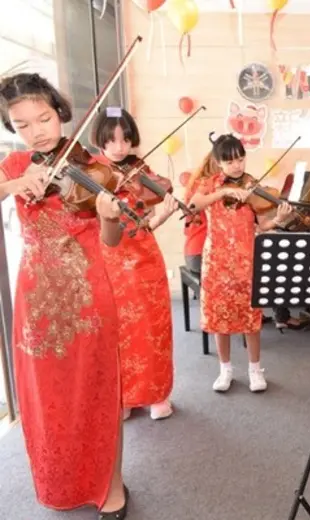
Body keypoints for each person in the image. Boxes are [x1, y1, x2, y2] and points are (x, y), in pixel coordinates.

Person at [0, 73, 128, 518]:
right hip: (36, 301)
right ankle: (63, 482)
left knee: (98, 392)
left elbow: (110, 241)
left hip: (88, 293)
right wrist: (13, 186)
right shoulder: (15, 166)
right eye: (22, 125)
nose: (37, 132)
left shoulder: (92, 166)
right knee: (47, 399)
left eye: (44, 118)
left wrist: (109, 214)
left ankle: (111, 485)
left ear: (60, 113)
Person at [188, 132, 293, 392]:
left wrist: (278, 220)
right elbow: (194, 204)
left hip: (246, 259)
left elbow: (262, 225)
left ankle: (255, 370)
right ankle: (225, 370)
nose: (237, 165)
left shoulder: (251, 186)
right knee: (219, 318)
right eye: (230, 161)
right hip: (217, 260)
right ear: (219, 162)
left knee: (251, 317)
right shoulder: (209, 184)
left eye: (241, 159)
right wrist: (224, 190)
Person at [91, 106, 177, 421]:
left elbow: (146, 224)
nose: (119, 147)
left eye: (126, 139)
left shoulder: (140, 170)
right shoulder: (91, 174)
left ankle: (156, 394)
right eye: (111, 140)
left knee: (152, 327)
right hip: (110, 261)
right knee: (120, 330)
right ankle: (125, 396)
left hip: (145, 258)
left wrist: (162, 215)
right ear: (99, 140)